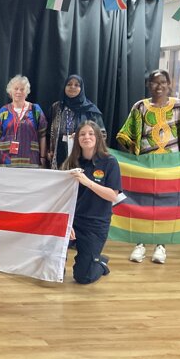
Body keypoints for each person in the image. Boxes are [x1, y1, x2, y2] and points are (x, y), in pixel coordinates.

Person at [117, 69, 180, 264]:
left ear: (169, 84)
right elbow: (126, 135)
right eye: (154, 82)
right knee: (143, 205)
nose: (159, 86)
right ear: (148, 85)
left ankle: (161, 246)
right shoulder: (140, 107)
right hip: (145, 167)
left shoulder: (178, 106)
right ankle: (140, 244)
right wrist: (133, 160)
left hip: (170, 168)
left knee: (166, 206)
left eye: (163, 82)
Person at [63, 121, 121, 284]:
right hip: (73, 220)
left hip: (95, 224)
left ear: (98, 137)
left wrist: (87, 182)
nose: (86, 137)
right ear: (77, 139)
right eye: (82, 134)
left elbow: (113, 196)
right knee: (53, 264)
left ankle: (100, 263)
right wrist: (66, 222)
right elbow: (63, 196)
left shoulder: (109, 162)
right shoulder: (71, 162)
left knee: (83, 277)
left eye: (90, 133)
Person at [48, 75, 105, 169]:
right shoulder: (56, 107)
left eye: (76, 85)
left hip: (82, 153)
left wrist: (83, 136)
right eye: (69, 84)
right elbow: (49, 132)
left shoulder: (90, 110)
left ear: (81, 88)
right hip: (58, 154)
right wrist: (49, 150)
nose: (72, 87)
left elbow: (102, 134)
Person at [0, 75, 48, 168]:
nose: (18, 92)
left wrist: (42, 157)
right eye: (16, 89)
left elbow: (42, 136)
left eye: (22, 89)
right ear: (10, 91)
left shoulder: (35, 109)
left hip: (31, 163)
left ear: (26, 92)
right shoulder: (3, 111)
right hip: (6, 163)